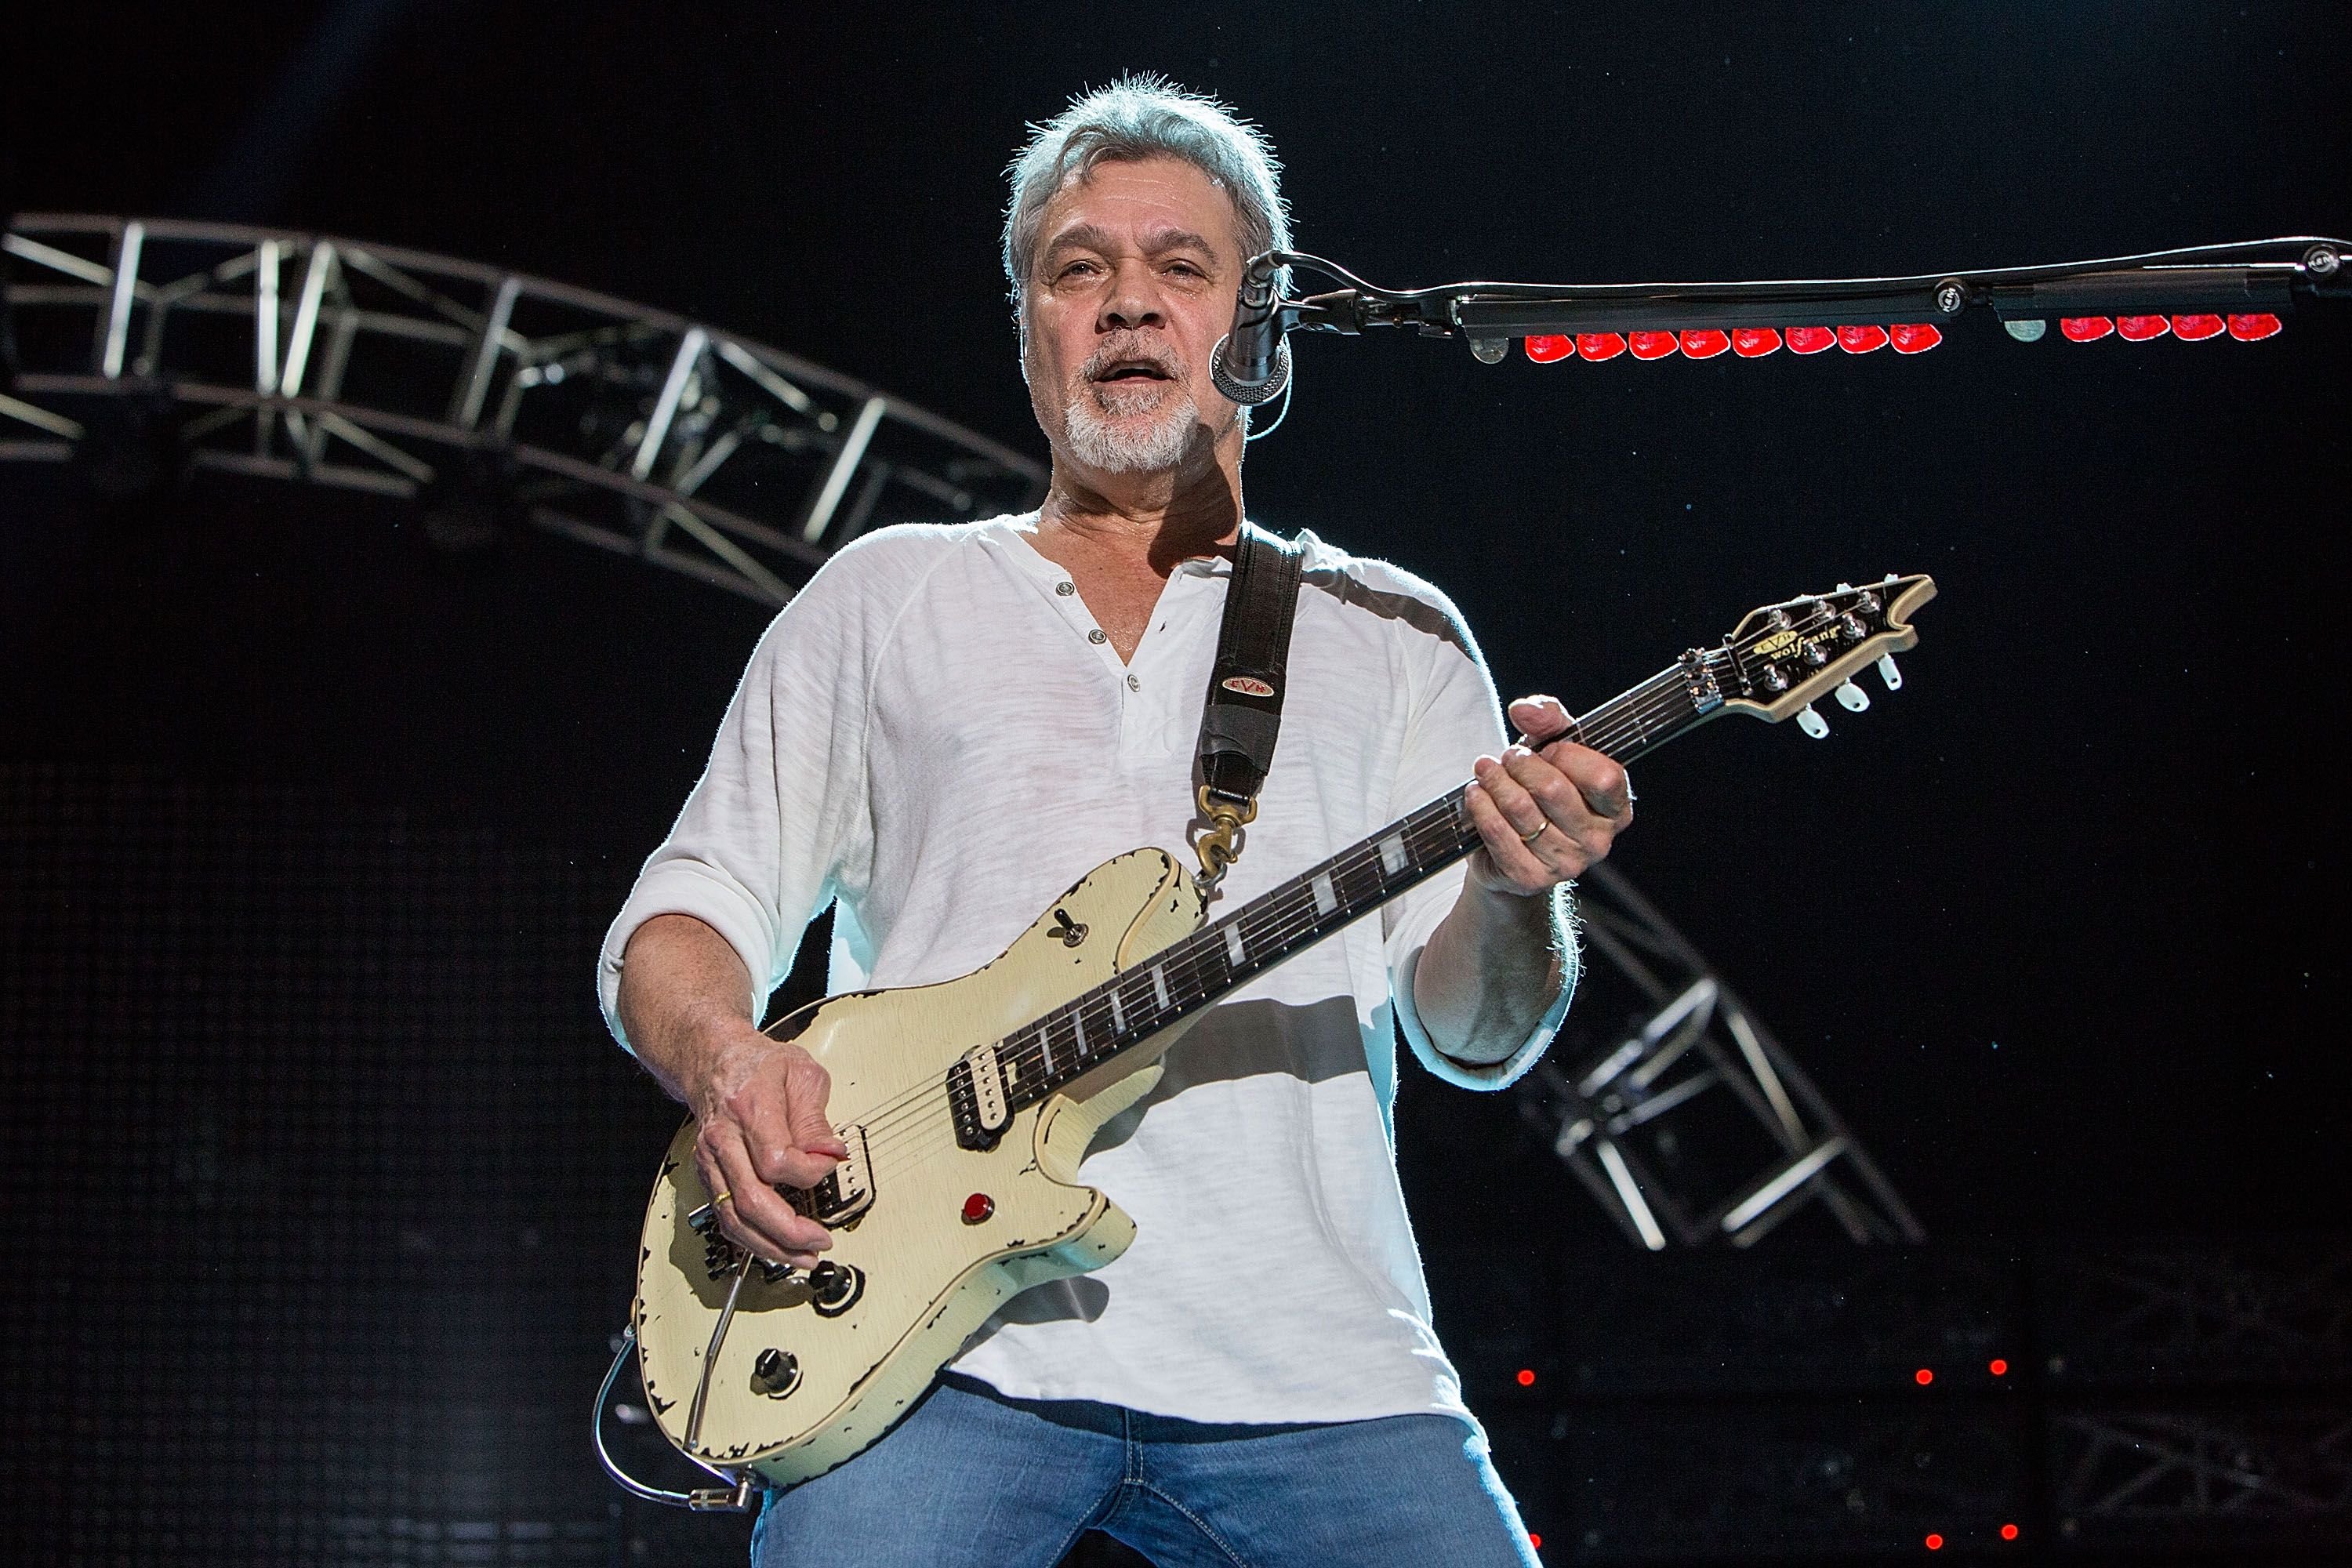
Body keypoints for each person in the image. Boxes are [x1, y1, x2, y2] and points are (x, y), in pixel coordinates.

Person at [597, 75, 1632, 1568]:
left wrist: (1524, 889)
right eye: (1078, 270)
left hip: (1319, 1365)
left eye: (1181, 268)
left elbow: (1477, 1037)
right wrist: (731, 1060)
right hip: (932, 1367)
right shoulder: (890, 597)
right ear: (1029, 334)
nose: (1127, 307)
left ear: (1261, 332)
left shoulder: (1393, 629)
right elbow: (687, 912)